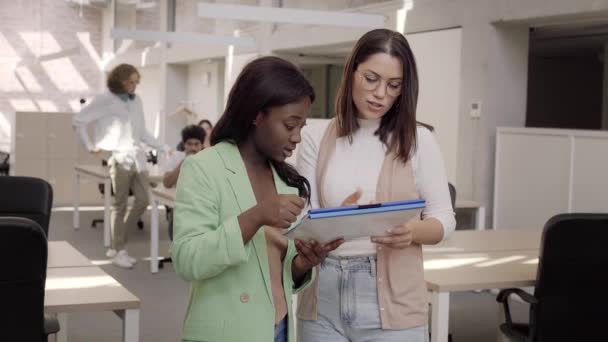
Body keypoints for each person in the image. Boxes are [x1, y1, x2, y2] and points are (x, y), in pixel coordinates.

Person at [296, 29, 456, 341]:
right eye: (371, 79)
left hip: (394, 303)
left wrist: (411, 232)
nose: (380, 93)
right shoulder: (316, 137)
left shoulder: (419, 139)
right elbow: (307, 221)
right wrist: (332, 222)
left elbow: (445, 220)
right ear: (352, 71)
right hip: (323, 297)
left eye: (393, 85)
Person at [171, 56, 344, 342]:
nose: (297, 137)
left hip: (277, 329)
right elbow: (188, 260)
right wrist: (255, 216)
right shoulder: (203, 168)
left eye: (301, 127)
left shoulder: (286, 180)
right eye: (290, 126)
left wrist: (302, 263)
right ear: (256, 115)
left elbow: (274, 273)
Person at [73, 63, 170, 269]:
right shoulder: (104, 100)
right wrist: (90, 145)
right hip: (119, 159)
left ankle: (116, 242)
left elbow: (142, 132)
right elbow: (79, 120)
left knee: (143, 200)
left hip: (138, 159)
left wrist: (162, 146)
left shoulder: (137, 101)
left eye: (137, 82)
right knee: (120, 204)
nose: (134, 86)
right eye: (131, 82)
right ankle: (119, 250)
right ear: (119, 81)